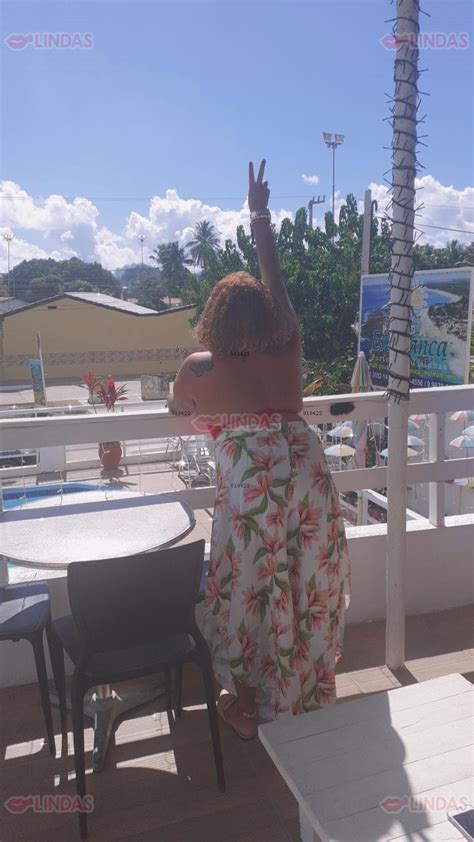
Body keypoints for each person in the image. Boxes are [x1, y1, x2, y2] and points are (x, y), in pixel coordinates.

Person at [169, 160, 350, 739]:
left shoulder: (198, 369)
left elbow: (179, 409)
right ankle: (310, 694)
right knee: (305, 581)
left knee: (250, 588)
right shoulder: (288, 340)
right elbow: (276, 277)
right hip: (306, 465)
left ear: (214, 318)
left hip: (253, 481)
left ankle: (248, 708)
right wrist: (259, 214)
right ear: (268, 313)